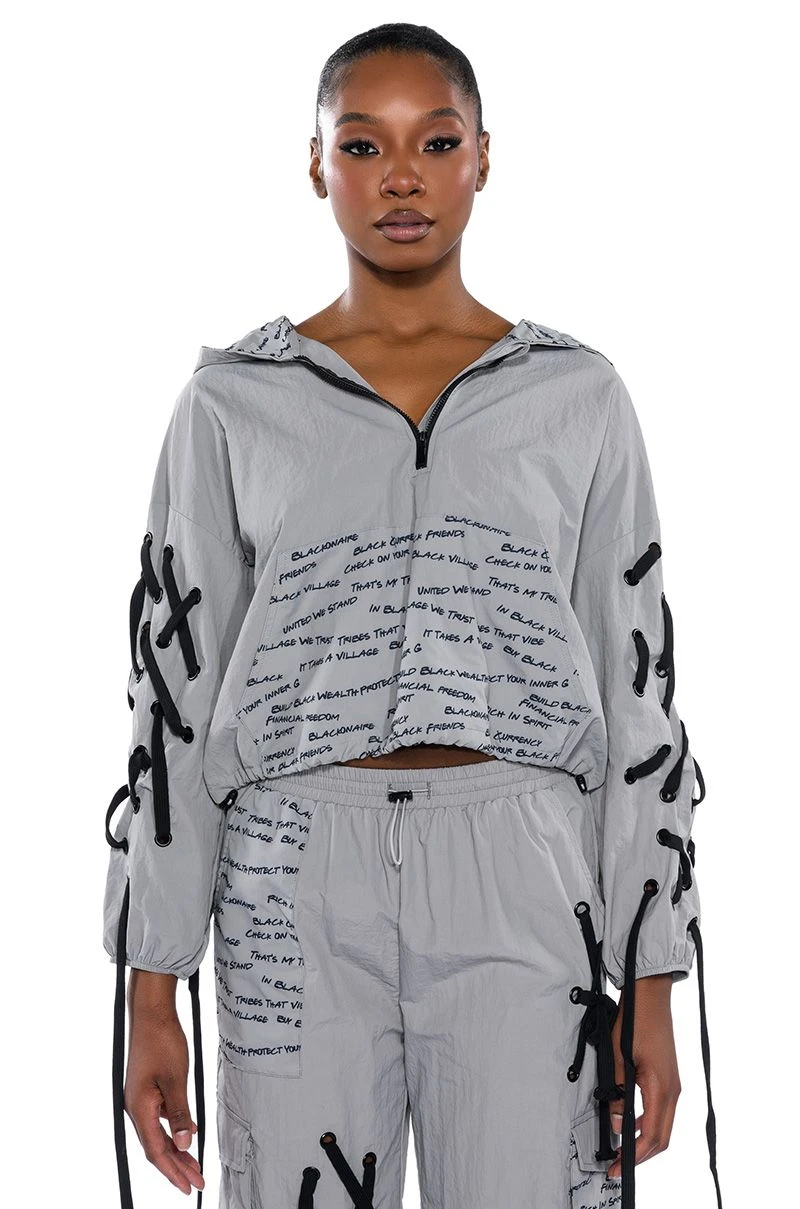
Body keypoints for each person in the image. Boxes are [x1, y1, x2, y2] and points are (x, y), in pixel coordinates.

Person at [102, 21, 723, 1209]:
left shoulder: (576, 397)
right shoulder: (232, 403)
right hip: (289, 870)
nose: (400, 177)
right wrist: (149, 982)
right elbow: (171, 700)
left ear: (482, 158)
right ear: (315, 165)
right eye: (361, 144)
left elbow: (636, 688)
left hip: (523, 866)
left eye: (434, 143)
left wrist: (651, 975)